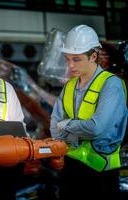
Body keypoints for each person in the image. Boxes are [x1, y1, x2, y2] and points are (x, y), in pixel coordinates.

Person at [50, 24, 127, 200]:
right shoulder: (69, 86)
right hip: (70, 168)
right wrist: (68, 128)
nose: (70, 65)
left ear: (93, 56)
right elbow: (54, 126)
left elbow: (96, 128)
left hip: (101, 171)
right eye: (67, 59)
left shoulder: (111, 85)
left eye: (76, 59)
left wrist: (67, 125)